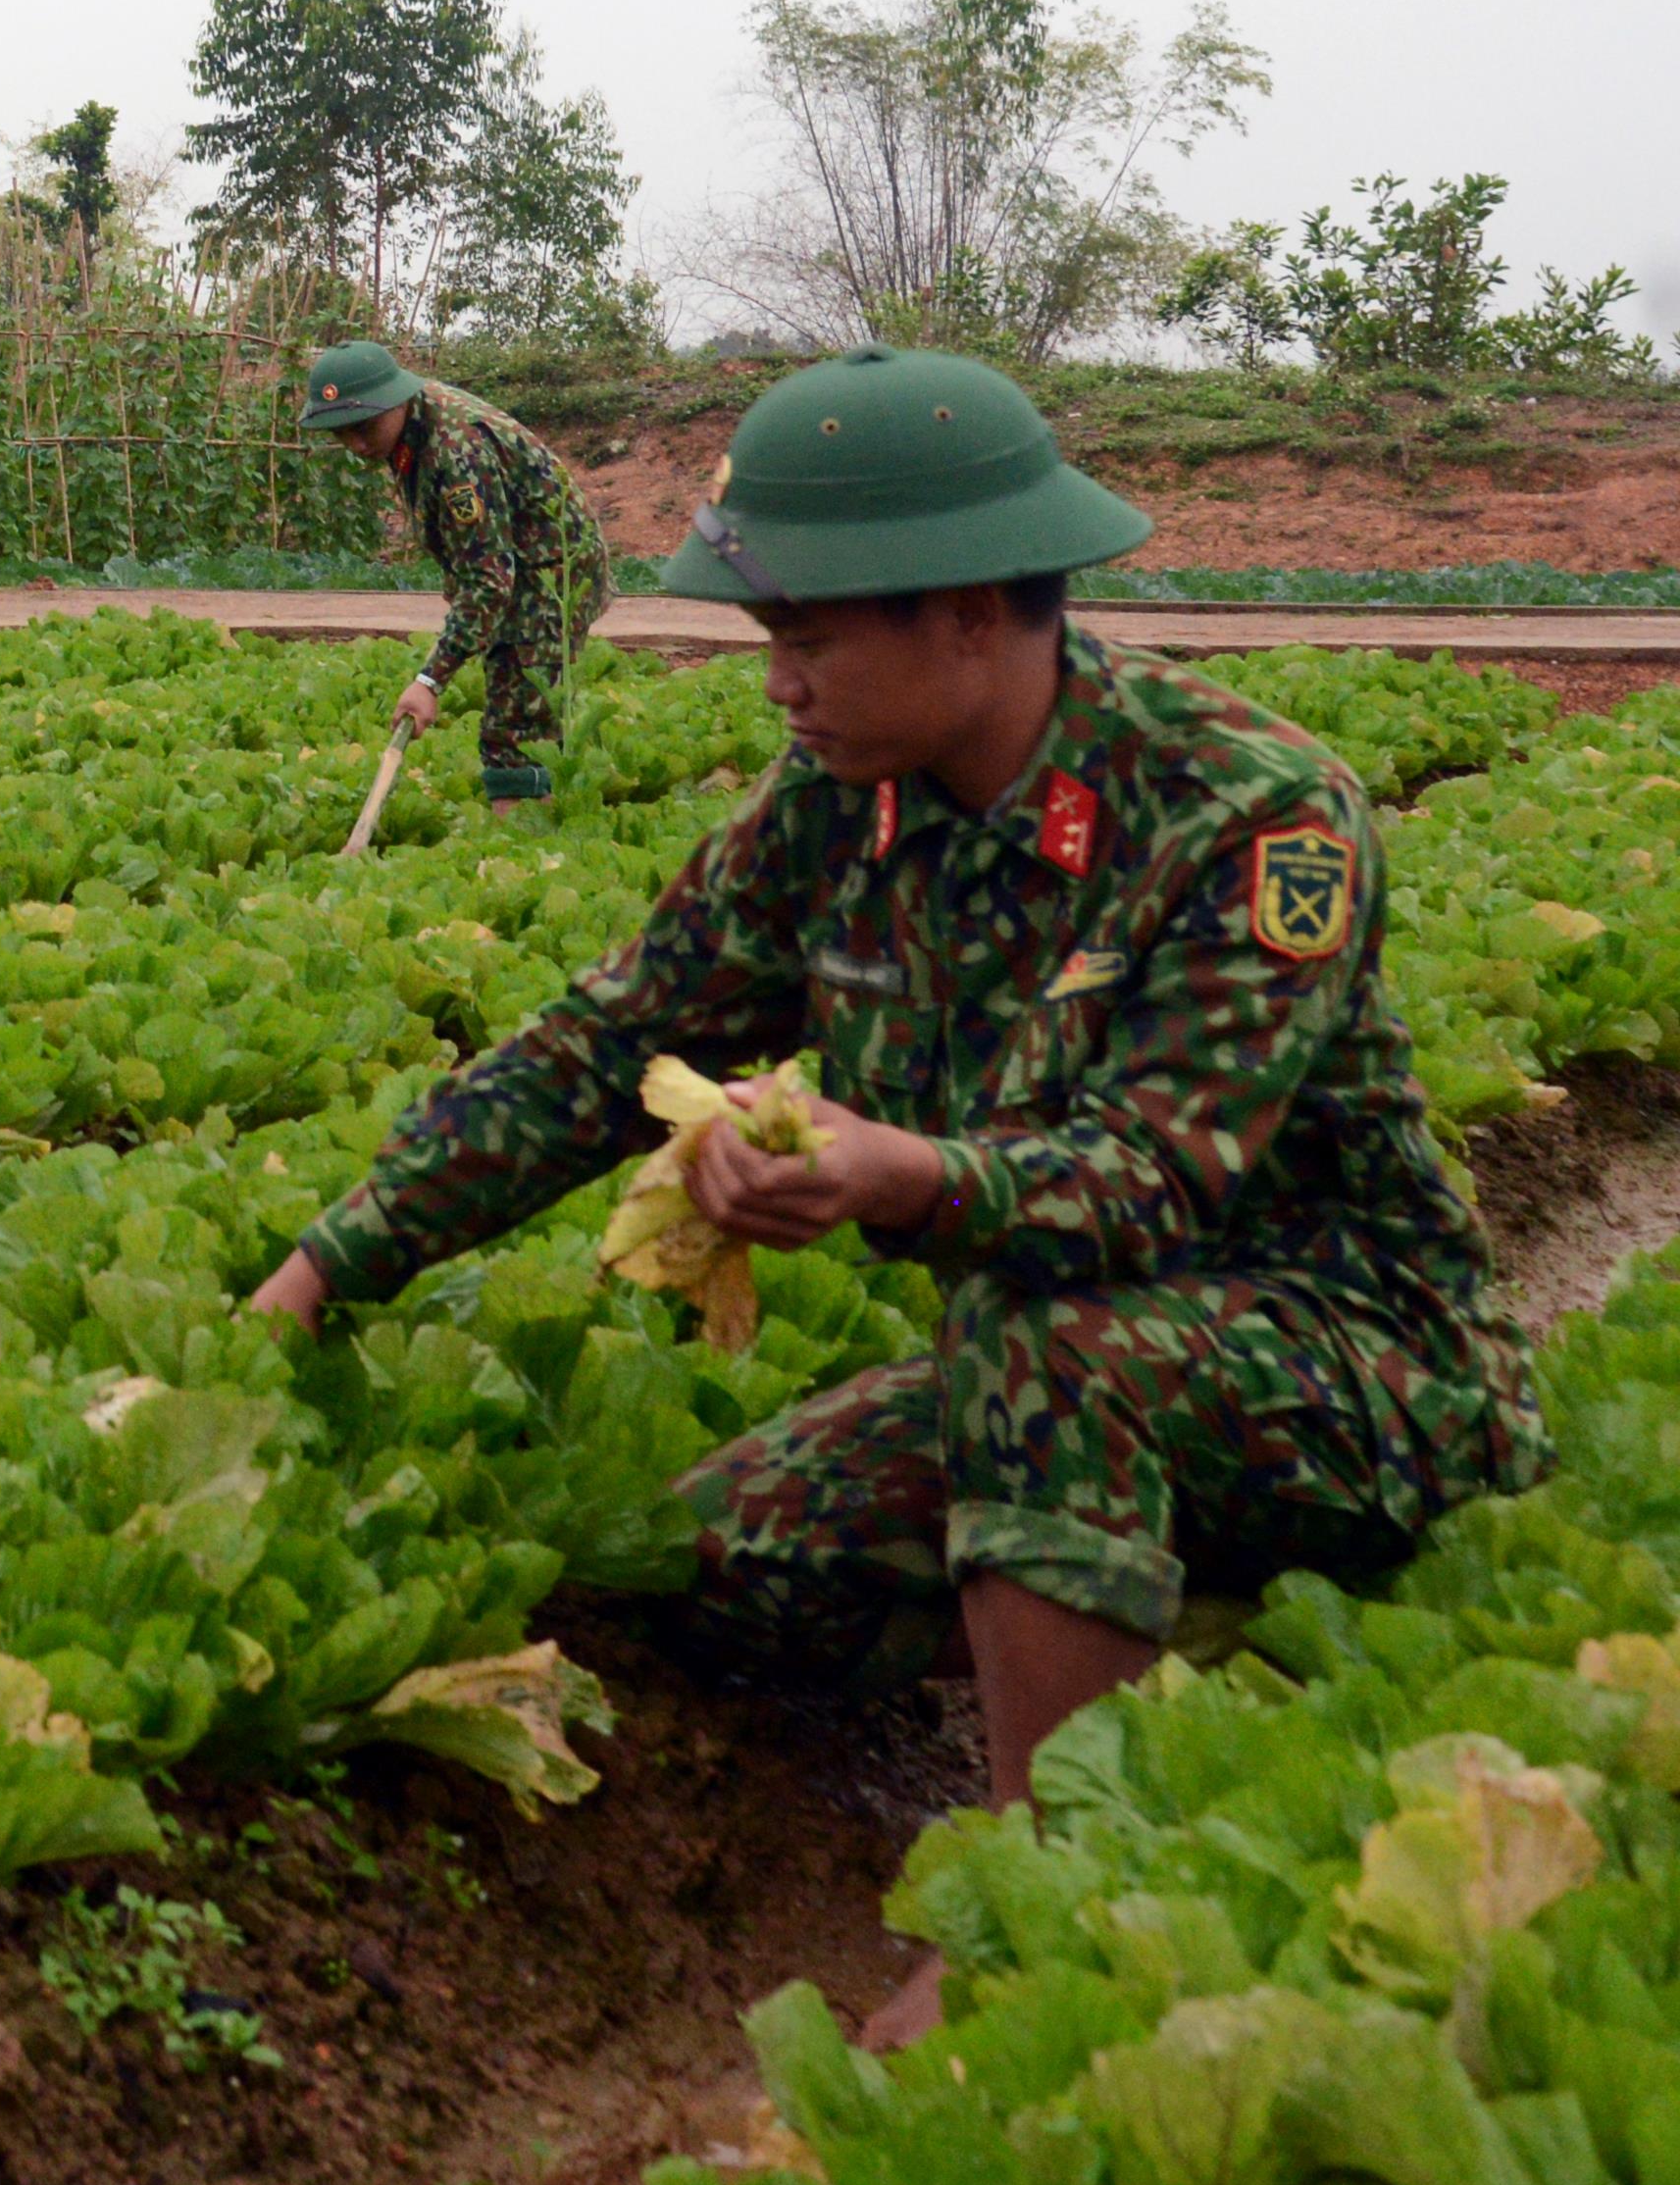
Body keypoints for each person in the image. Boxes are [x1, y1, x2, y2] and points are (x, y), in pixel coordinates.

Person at [241, 346, 1548, 2046]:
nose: (772, 681)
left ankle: (1045, 1880)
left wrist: (904, 1172)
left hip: (1358, 1363)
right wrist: (322, 1267)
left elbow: (1149, 1179)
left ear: (963, 612)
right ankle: (1167, 1631)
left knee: (1043, 1331)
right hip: (1084, 1382)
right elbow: (598, 1045)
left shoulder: (1245, 810)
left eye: (803, 637)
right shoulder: (829, 814)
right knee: (720, 1556)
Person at [297, 339, 612, 811]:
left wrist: (429, 682)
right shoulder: (413, 427)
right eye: (342, 433)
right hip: (520, 569)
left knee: (515, 730)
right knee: (522, 709)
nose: (357, 445)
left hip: (552, 576)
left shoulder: (454, 450)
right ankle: (549, 822)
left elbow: (489, 579)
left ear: (395, 400)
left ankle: (529, 851)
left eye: (364, 427)